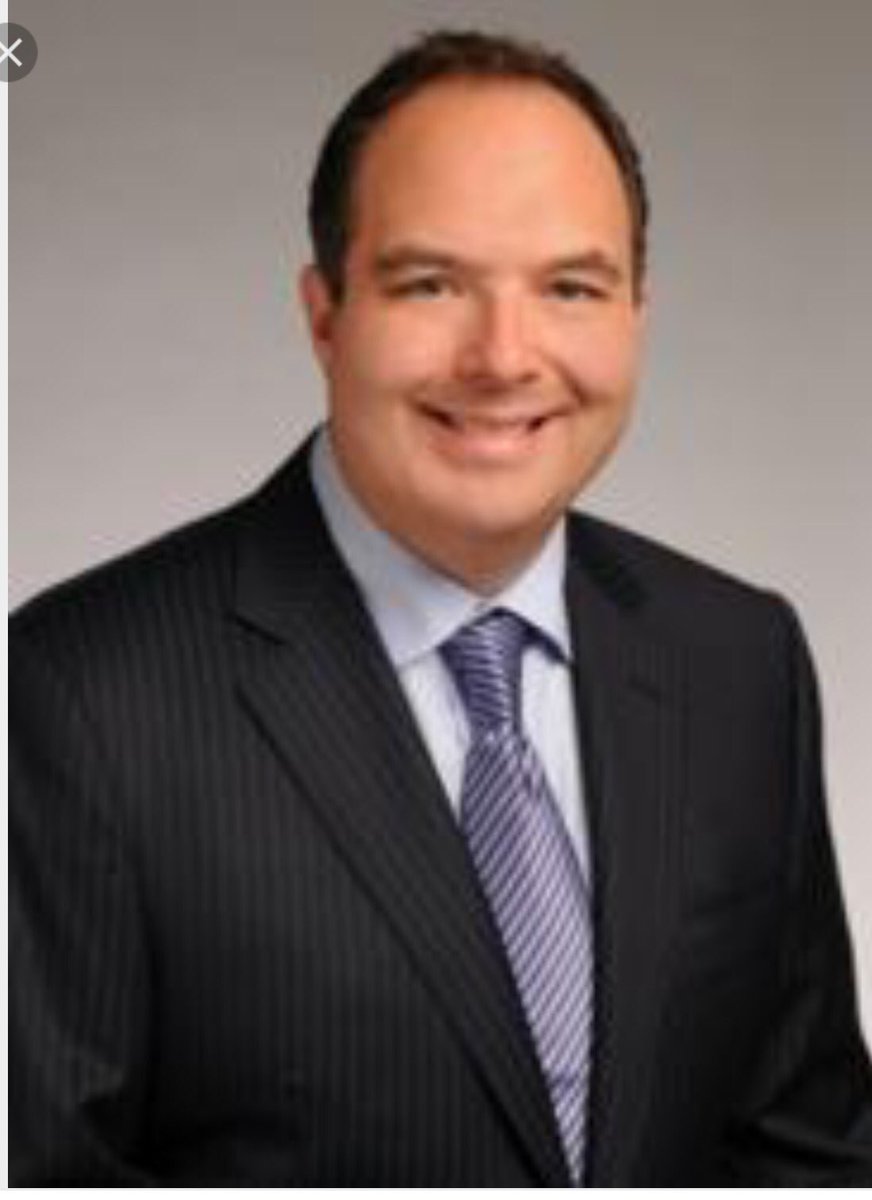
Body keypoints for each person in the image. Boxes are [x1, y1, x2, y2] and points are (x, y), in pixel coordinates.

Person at [9, 28, 872, 1186]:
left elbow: (804, 1152)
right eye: (430, 284)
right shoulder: (76, 694)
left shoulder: (738, 660)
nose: (503, 357)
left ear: (635, 311)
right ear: (324, 315)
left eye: (569, 287)